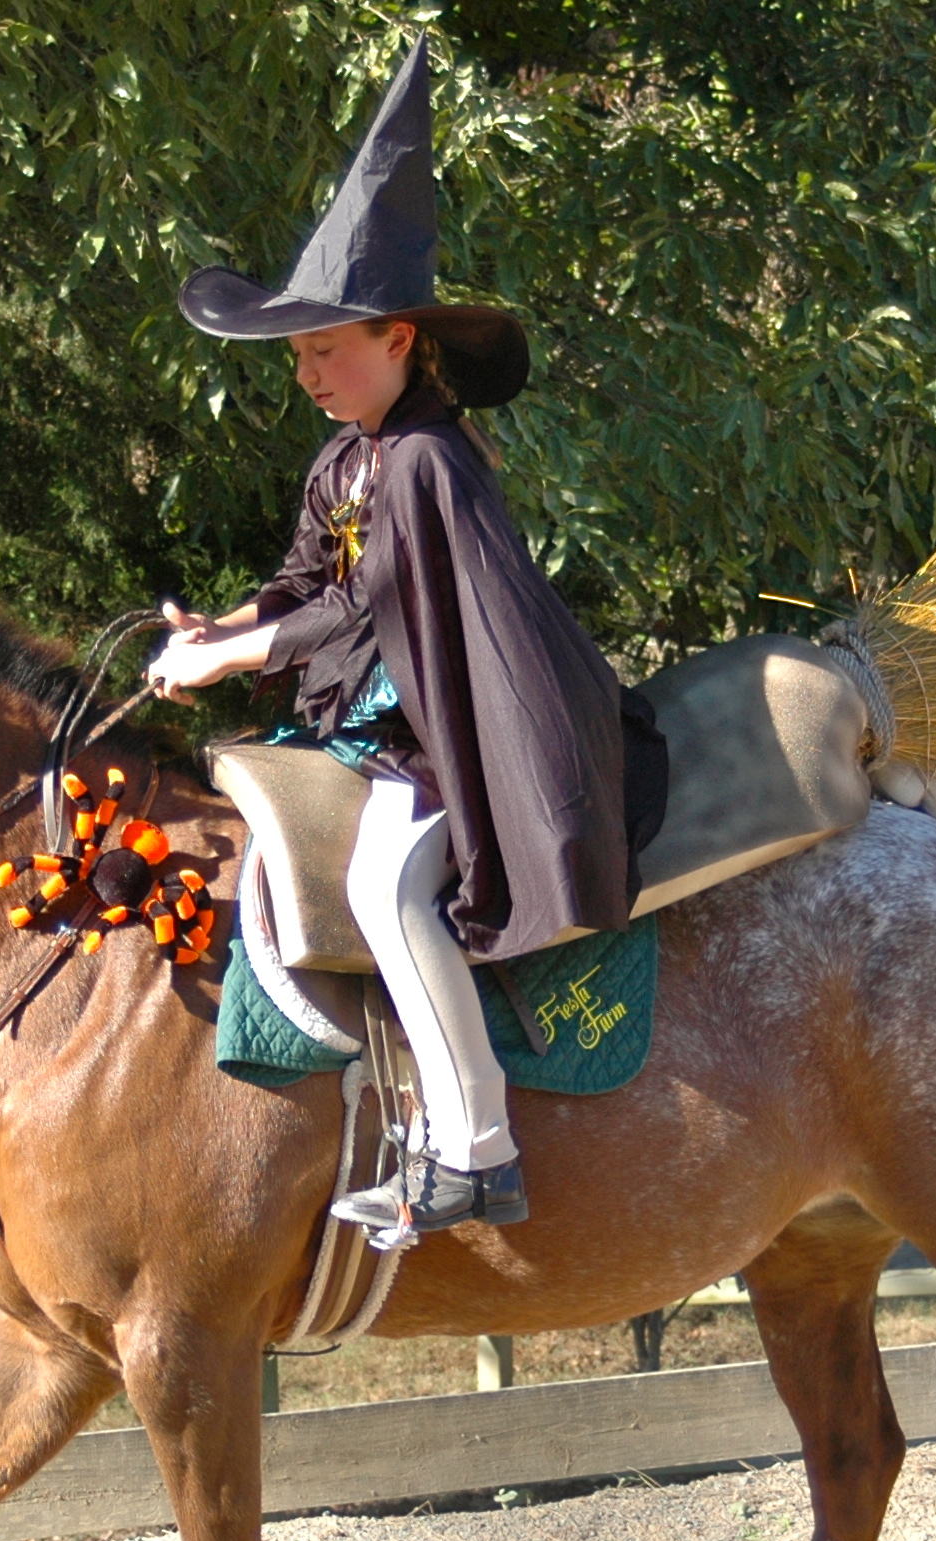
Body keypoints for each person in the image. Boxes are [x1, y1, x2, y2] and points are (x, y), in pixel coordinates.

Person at [148, 36, 663, 1236]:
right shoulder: (349, 453)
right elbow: (298, 583)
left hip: (463, 721)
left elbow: (367, 607)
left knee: (387, 883)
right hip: (388, 716)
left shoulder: (429, 460)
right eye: (299, 353)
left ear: (403, 341)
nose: (310, 371)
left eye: (329, 348)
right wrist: (215, 624)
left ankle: (476, 1143)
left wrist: (232, 660)